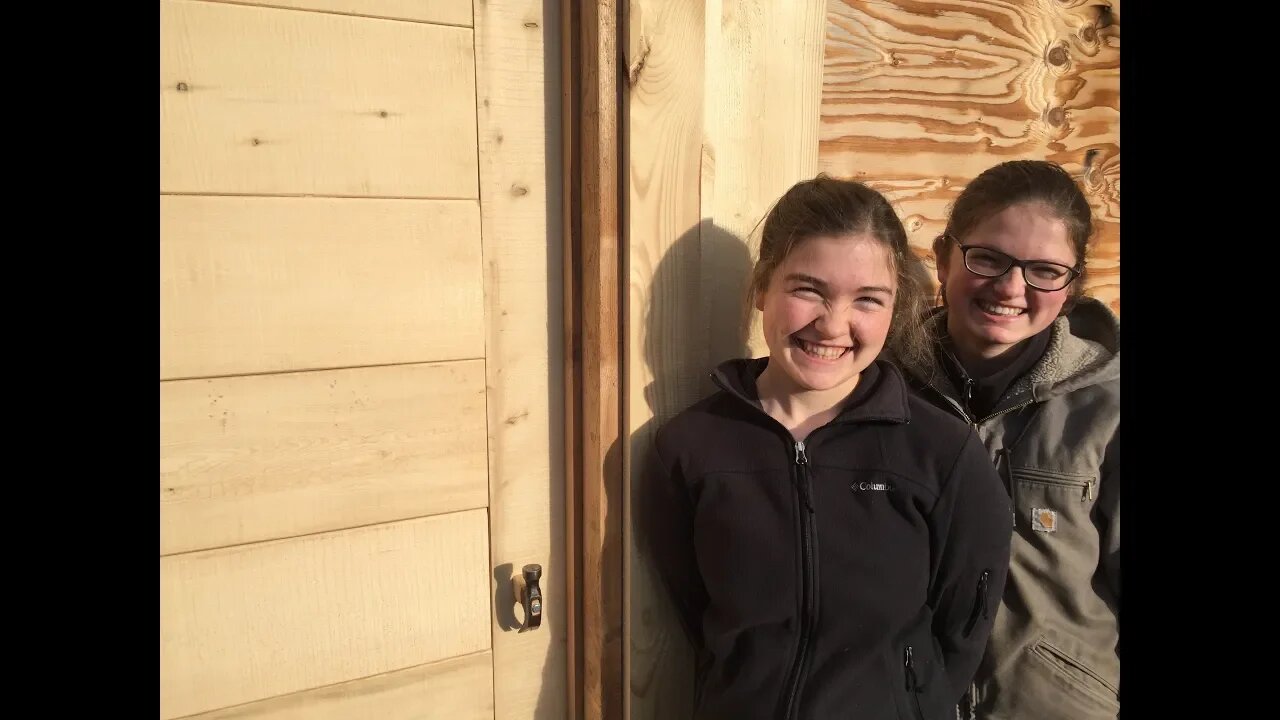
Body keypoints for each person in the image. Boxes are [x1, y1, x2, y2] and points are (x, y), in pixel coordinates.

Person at [639, 174, 1013, 720]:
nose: (833, 324)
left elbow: (961, 632)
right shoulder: (690, 448)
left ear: (894, 308)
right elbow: (697, 614)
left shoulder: (942, 452)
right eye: (808, 289)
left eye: (868, 299)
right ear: (763, 286)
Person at [906, 160, 1120, 720]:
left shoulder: (1108, 406)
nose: (1010, 287)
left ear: (1072, 286)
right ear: (943, 256)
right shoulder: (882, 391)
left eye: (1045, 270)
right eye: (989, 259)